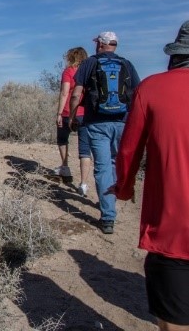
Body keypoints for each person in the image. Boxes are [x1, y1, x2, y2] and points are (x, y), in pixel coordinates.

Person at [116, 20, 189, 330]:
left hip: (174, 226)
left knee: (174, 320)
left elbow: (130, 150)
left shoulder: (154, 87)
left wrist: (124, 188)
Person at [69, 31, 140, 234]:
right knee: (114, 162)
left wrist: (73, 116)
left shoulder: (90, 63)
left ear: (100, 44)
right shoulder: (126, 64)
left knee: (101, 167)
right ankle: (117, 197)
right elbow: (137, 92)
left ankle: (108, 216)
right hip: (121, 122)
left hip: (96, 122)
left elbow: (76, 93)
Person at [55, 47, 92, 195]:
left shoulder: (69, 71)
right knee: (85, 149)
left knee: (62, 139)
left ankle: (65, 166)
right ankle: (83, 183)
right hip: (86, 113)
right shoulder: (89, 72)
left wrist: (59, 113)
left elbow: (65, 93)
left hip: (68, 112)